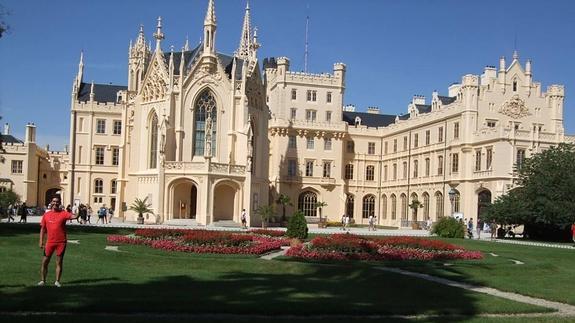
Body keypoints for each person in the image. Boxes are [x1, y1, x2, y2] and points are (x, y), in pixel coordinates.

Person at [38, 197, 79, 287]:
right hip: (49, 242)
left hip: (61, 242)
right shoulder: (46, 215)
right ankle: (43, 280)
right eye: (54, 201)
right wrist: (41, 241)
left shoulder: (63, 213)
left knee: (59, 262)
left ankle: (57, 281)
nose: (55, 203)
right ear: (51, 202)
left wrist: (78, 210)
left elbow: (74, 216)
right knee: (45, 262)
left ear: (59, 203)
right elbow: (42, 229)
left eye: (57, 202)